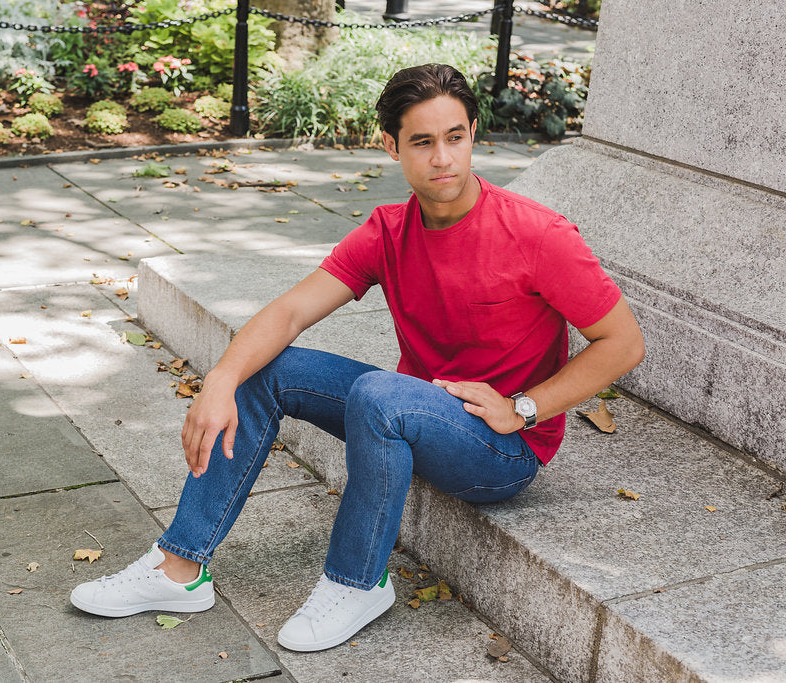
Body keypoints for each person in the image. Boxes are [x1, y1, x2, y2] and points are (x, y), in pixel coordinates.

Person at [70, 63, 645, 652]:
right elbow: (290, 313)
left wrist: (524, 407)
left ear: (474, 133)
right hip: (410, 410)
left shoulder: (538, 234)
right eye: (422, 142)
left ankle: (357, 582)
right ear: (393, 146)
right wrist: (219, 379)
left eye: (455, 137)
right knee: (265, 370)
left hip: (501, 447)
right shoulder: (389, 230)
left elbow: (624, 342)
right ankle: (178, 570)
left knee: (378, 395)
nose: (442, 158)